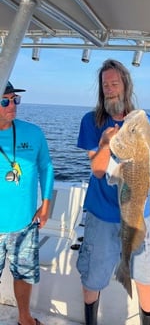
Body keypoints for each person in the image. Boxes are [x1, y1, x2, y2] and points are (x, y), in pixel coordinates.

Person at [76, 59, 150, 325]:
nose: (110, 89)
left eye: (115, 83)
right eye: (105, 85)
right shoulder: (91, 121)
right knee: (93, 278)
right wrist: (104, 143)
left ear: (126, 85)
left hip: (136, 214)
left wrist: (127, 142)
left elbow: (147, 162)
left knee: (144, 278)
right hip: (101, 214)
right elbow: (98, 171)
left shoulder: (143, 121)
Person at [0, 81, 54, 325]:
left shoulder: (33, 133)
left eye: (15, 99)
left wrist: (46, 202)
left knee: (24, 274)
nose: (12, 105)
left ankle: (25, 319)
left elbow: (46, 166)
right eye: (5, 101)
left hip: (25, 224)